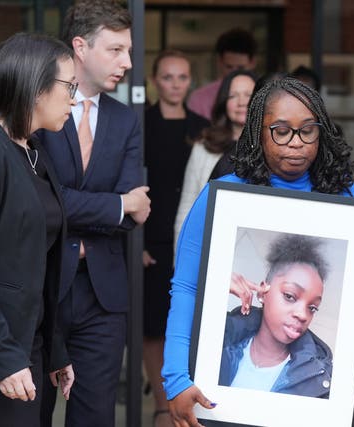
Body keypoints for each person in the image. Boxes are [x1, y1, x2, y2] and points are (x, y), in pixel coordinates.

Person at [163, 77, 354, 426]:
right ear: (259, 131)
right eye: (281, 131)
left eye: (308, 131)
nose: (296, 144)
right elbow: (186, 288)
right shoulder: (224, 195)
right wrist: (176, 378)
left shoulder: (343, 193)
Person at [37, 1, 151, 426]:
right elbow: (43, 200)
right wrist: (118, 204)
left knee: (95, 417)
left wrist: (120, 207)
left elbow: (133, 212)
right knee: (33, 412)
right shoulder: (42, 108)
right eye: (116, 50)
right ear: (80, 47)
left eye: (129, 51)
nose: (127, 62)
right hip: (43, 284)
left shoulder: (126, 120)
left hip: (103, 295)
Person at [0, 32, 75, 427]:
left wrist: (56, 349)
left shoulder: (34, 152)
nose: (74, 98)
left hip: (30, 348)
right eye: (69, 86)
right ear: (35, 85)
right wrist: (3, 355)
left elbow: (37, 261)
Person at [143, 49, 210, 427]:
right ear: (155, 80)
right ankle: (159, 404)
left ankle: (181, 397)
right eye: (167, 77)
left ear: (190, 82)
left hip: (188, 234)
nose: (175, 84)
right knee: (153, 326)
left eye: (182, 77)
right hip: (152, 240)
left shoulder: (202, 129)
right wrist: (137, 242)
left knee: (182, 323)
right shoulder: (142, 123)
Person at [220, 234, 333, 398]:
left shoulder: (317, 381)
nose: (303, 315)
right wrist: (213, 287)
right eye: (290, 296)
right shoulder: (219, 338)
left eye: (312, 308)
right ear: (263, 292)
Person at [173, 69, 256, 243]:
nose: (242, 102)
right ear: (223, 102)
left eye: (248, 95)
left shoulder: (271, 146)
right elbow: (188, 205)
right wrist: (180, 261)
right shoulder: (204, 145)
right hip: (208, 242)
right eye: (233, 96)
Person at [187, 28, 257, 120]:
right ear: (219, 62)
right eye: (229, 67)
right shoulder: (199, 98)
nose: (234, 73)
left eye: (241, 68)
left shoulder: (266, 96)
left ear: (253, 63)